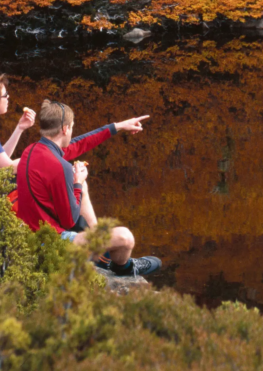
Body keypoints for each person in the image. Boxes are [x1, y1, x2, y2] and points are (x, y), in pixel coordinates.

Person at [15, 99, 162, 277]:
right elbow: (70, 220)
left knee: (82, 187)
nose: (72, 132)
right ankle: (125, 268)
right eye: (72, 127)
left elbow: (79, 143)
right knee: (125, 237)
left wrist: (119, 126)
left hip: (31, 233)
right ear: (65, 129)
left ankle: (102, 252)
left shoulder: (31, 150)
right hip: (48, 244)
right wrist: (77, 182)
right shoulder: (61, 167)